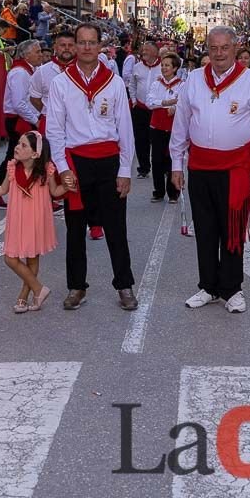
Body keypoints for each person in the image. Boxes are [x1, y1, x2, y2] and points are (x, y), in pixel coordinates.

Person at [170, 26, 250, 315]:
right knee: (204, 229)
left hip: (236, 167)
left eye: (224, 47)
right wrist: (176, 164)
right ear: (207, 49)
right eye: (213, 48)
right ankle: (208, 286)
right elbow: (181, 124)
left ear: (235, 47)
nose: (218, 54)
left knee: (231, 230)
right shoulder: (192, 80)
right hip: (201, 166)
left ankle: (232, 288)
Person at [45, 22, 138, 311]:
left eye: (91, 42)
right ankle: (76, 286)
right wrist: (62, 167)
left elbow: (125, 128)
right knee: (75, 228)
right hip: (76, 162)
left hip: (108, 161)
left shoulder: (114, 82)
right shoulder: (61, 82)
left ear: (100, 46)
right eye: (81, 42)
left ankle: (124, 285)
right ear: (73, 45)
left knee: (115, 227)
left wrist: (125, 170)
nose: (86, 47)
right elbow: (54, 130)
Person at [0, 131, 65, 313]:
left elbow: (56, 191)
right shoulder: (13, 167)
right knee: (10, 258)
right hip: (17, 219)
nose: (17, 147)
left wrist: (68, 185)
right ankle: (38, 288)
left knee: (32, 258)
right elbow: (3, 189)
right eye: (18, 143)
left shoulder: (46, 169)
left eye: (23, 145)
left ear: (35, 154)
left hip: (37, 219)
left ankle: (24, 296)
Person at [0, 39, 42, 203]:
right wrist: (36, 120)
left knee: (20, 156)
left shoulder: (27, 70)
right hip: (19, 121)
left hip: (23, 119)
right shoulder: (20, 73)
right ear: (26, 55)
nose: (40, 55)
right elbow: (20, 103)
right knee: (15, 156)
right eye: (37, 51)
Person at [146, 53, 184, 203]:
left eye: (167, 65)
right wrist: (167, 102)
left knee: (172, 159)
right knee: (156, 159)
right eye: (162, 65)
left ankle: (173, 192)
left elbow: (182, 102)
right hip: (157, 126)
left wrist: (173, 106)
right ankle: (158, 191)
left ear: (175, 68)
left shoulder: (181, 84)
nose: (164, 68)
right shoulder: (157, 84)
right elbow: (150, 102)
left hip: (174, 127)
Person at [122, 41, 161, 179]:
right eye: (143, 50)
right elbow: (132, 85)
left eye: (147, 50)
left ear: (156, 52)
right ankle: (143, 168)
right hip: (140, 108)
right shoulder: (137, 67)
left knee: (158, 140)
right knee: (140, 139)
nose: (143, 52)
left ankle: (162, 167)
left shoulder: (164, 67)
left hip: (157, 110)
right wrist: (133, 101)